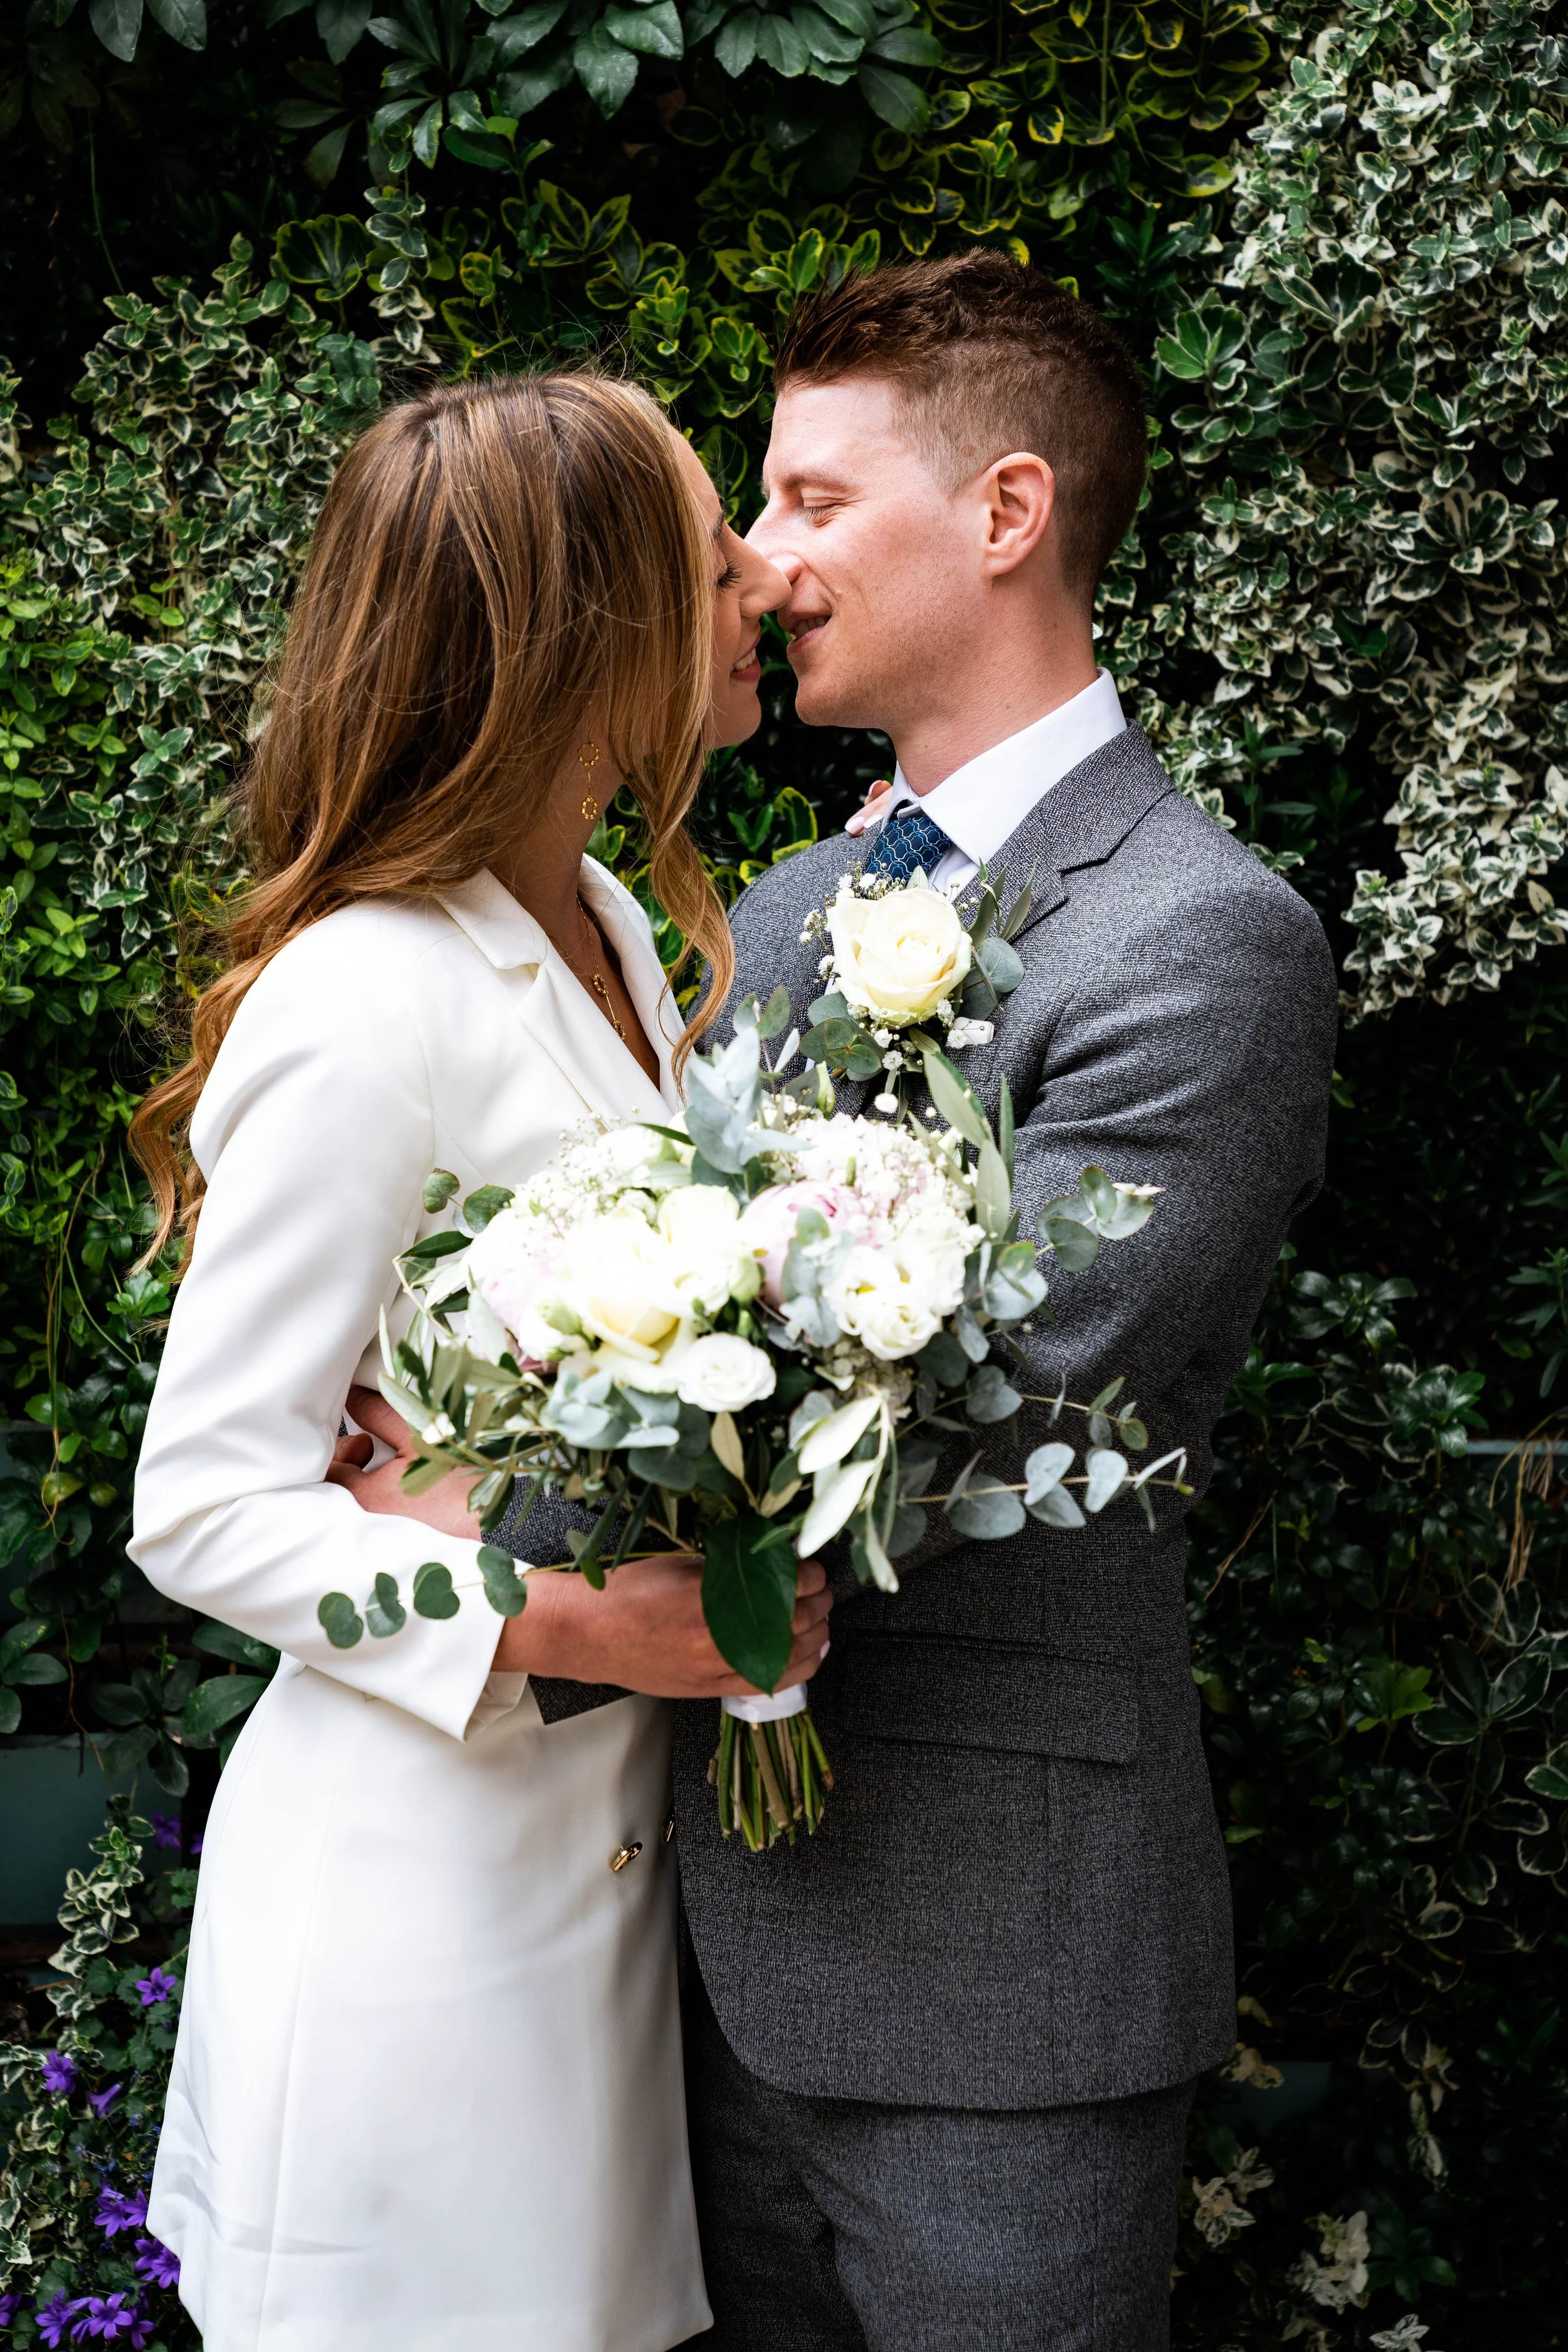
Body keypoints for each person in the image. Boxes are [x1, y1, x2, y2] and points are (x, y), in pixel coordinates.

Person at [662, 253, 1340, 2348]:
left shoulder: (1203, 938)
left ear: (1005, 514)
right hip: (695, 1940)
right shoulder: (779, 910)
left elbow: (1014, 1390)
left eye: (804, 498)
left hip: (1003, 1957)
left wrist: (493, 1480)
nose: (758, 563)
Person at [127, 371, 829, 2352]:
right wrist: (567, 1617)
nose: (765, 579)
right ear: (583, 621)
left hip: (598, 1906)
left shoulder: (607, 920)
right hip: (414, 1928)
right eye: (710, 556)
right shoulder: (370, 994)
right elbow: (200, 1499)